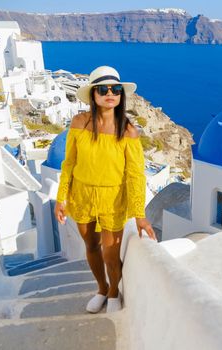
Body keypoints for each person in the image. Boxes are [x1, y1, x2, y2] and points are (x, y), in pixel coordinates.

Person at [54, 66, 157, 313]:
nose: (110, 93)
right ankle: (101, 288)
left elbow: (135, 175)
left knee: (110, 253)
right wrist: (61, 199)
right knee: (90, 246)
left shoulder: (128, 131)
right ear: (93, 95)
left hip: (113, 199)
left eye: (115, 89)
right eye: (103, 89)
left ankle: (113, 292)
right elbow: (69, 163)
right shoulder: (79, 123)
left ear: (121, 95)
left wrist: (139, 214)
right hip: (82, 196)